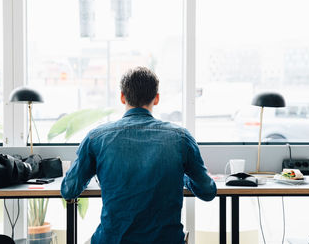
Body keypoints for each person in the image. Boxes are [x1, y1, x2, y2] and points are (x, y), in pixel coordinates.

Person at [61, 66, 217, 244]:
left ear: (122, 97)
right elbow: (207, 191)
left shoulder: (97, 138)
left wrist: (96, 174)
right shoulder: (180, 137)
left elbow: (69, 189)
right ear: (156, 99)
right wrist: (182, 177)